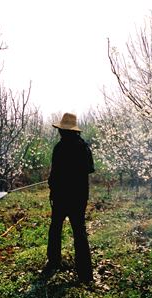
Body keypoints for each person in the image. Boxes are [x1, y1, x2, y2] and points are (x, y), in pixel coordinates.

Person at [43, 113, 94, 283]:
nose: (60, 133)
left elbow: (55, 175)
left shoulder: (59, 148)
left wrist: (53, 183)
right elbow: (89, 170)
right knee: (79, 232)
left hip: (62, 197)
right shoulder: (84, 147)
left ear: (65, 131)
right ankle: (85, 274)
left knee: (55, 228)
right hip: (79, 198)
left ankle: (53, 262)